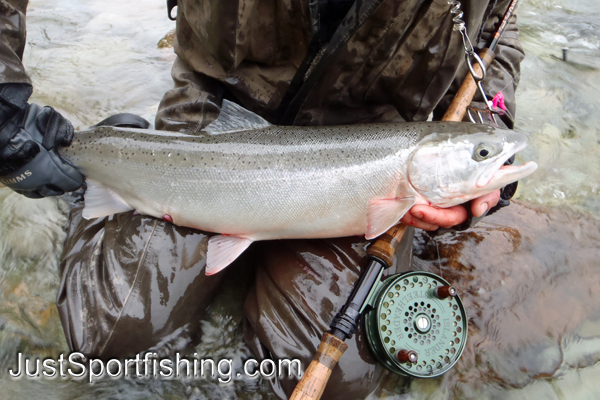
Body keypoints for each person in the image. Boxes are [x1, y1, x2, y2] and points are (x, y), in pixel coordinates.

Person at [0, 0, 523, 398]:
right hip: (216, 104)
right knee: (103, 336)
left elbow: (502, 31)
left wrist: (490, 125)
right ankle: (110, 167)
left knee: (339, 378)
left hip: (375, 130)